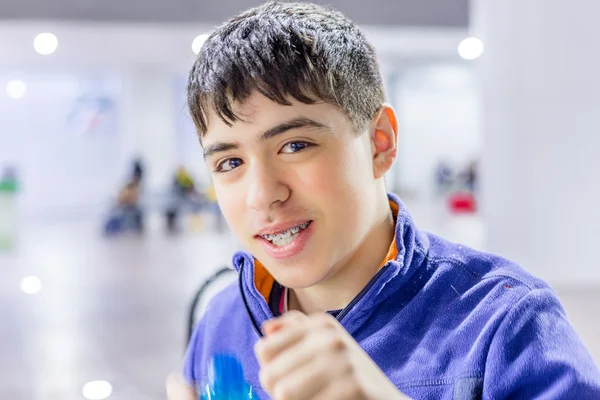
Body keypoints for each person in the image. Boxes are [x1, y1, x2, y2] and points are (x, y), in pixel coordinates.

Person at [167, 2, 600, 399]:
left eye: (295, 145)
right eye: (229, 163)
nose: (262, 195)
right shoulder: (224, 320)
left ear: (380, 143)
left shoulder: (501, 325)